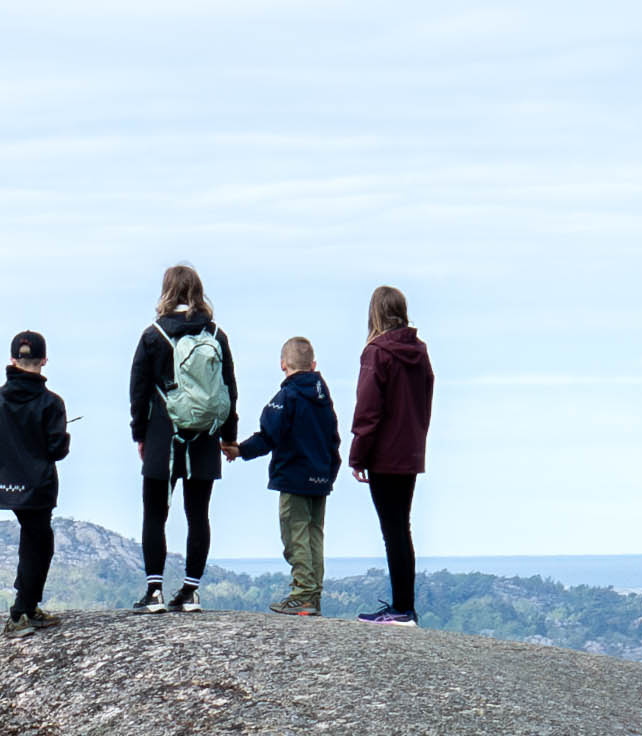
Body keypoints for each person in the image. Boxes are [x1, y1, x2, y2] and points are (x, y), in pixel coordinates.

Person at [123, 265, 239, 609]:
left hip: (162, 434)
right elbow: (229, 389)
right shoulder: (216, 334)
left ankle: (154, 591)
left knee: (154, 514)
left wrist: (140, 435)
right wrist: (228, 436)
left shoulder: (154, 334)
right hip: (205, 435)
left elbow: (138, 391)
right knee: (198, 514)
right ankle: (190, 591)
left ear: (167, 292)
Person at [224, 335, 339, 613]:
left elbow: (268, 435)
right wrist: (329, 474)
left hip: (294, 477)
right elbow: (334, 439)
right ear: (313, 365)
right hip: (320, 478)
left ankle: (303, 594)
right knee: (314, 535)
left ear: (282, 364)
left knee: (294, 536)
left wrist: (240, 450)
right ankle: (313, 595)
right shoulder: (324, 399)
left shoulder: (287, 397)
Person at [0, 330, 72, 625]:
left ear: (12, 359)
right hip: (39, 486)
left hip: (5, 482)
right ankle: (22, 611)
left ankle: (26, 607)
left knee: (32, 538)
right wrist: (63, 438)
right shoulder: (51, 403)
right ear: (44, 360)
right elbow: (57, 450)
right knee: (40, 542)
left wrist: (7, 459)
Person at [350, 287, 433, 621]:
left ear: (375, 313)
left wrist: (358, 456)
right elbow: (425, 400)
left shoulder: (376, 352)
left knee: (392, 531)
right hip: (410, 451)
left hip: (383, 454)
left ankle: (402, 608)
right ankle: (404, 605)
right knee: (402, 528)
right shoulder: (420, 352)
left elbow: (368, 409)